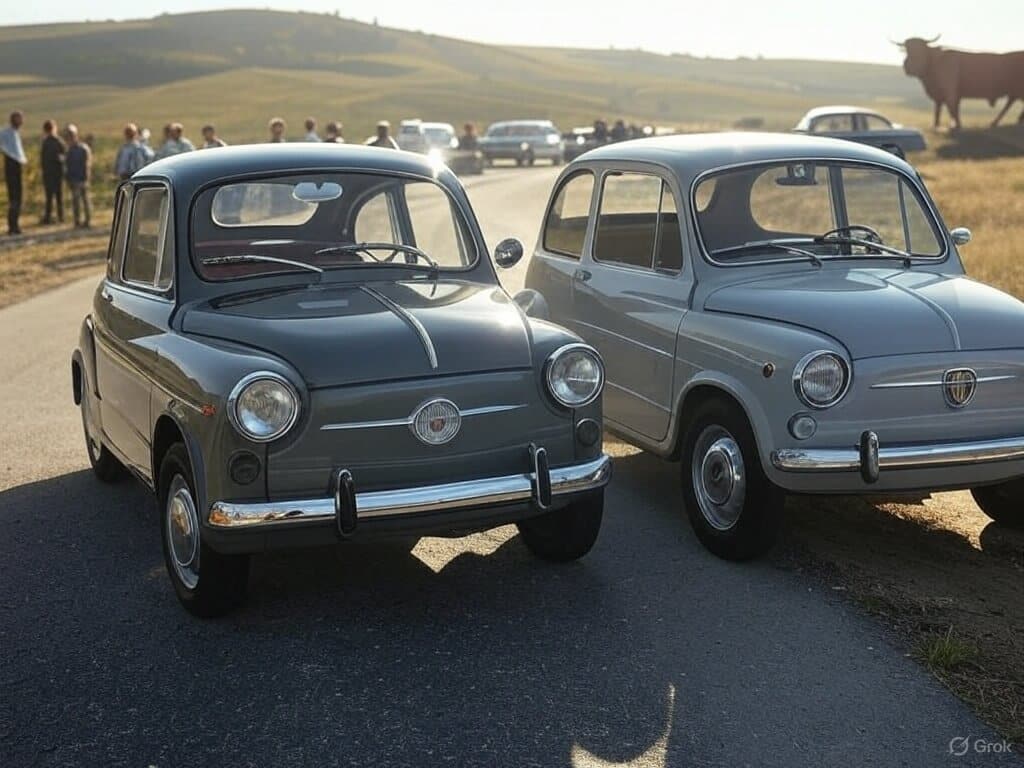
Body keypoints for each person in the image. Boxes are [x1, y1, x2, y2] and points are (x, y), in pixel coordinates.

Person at [0, 110, 26, 235]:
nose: (21, 121)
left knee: (18, 197)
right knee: (15, 197)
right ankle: (12, 226)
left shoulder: (15, 133)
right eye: (19, 119)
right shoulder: (6, 132)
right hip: (11, 166)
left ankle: (15, 224)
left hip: (17, 166)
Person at [63, 124, 91, 229]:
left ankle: (86, 220)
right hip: (74, 178)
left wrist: (85, 177)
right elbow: (67, 165)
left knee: (84, 200)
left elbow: (87, 164)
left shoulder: (82, 148)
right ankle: (78, 221)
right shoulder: (70, 150)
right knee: (77, 201)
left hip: (81, 178)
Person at [40, 119, 66, 225]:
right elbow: (65, 156)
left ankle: (48, 217)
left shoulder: (45, 142)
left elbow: (42, 160)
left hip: (48, 174)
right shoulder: (59, 141)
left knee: (49, 197)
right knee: (59, 196)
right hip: (58, 173)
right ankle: (61, 217)